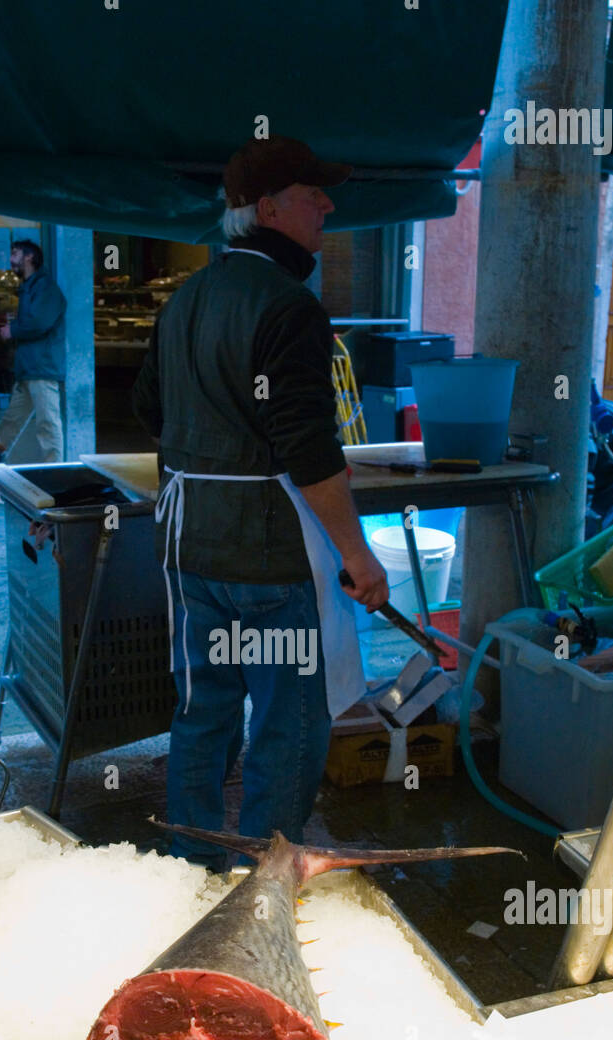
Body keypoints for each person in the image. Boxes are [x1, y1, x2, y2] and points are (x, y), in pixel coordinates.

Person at [132, 135, 389, 869]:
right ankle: (266, 882)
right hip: (270, 562)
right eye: (315, 196)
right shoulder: (292, 306)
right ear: (270, 209)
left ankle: (192, 869)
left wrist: (213, 451)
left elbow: (151, 405)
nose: (329, 207)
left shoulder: (188, 296)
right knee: (284, 724)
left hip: (188, 550)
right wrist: (357, 555)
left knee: (203, 712)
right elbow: (308, 448)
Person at [0, 239, 66, 463]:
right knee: (12, 420)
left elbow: (39, 322)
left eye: (14, 253)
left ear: (29, 257)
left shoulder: (44, 287)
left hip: (41, 367)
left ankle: (55, 472)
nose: (10, 259)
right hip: (30, 367)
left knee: (47, 423)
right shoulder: (32, 287)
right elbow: (36, 321)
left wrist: (12, 330)